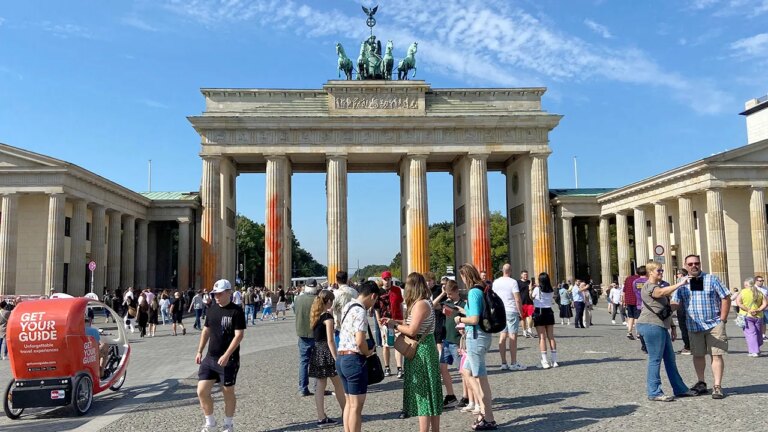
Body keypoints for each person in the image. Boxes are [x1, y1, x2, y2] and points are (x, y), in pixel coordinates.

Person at [381, 272, 443, 432]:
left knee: (423, 393)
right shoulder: (424, 302)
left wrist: (395, 326)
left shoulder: (420, 304)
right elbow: (412, 322)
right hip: (425, 347)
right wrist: (394, 321)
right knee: (430, 392)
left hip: (421, 351)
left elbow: (412, 329)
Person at [671, 254, 731, 399]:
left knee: (716, 354)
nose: (693, 266)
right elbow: (675, 302)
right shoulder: (681, 283)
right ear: (685, 266)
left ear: (700, 263)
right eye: (690, 264)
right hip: (693, 325)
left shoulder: (712, 279)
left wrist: (722, 319)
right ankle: (701, 382)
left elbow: (726, 297)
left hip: (714, 323)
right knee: (698, 355)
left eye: (696, 263)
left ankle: (717, 386)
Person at [636, 262, 697, 401]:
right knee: (655, 359)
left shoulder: (658, 286)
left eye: (662, 270)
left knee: (670, 359)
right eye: (659, 270)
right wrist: (680, 284)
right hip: (650, 325)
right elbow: (660, 293)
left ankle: (680, 389)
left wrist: (673, 326)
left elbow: (668, 309)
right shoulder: (649, 286)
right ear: (650, 272)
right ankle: (654, 392)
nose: (661, 272)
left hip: (661, 326)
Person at [195, 279, 246, 432]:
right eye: (215, 293)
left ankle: (228, 424)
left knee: (228, 392)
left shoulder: (236, 311)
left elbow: (239, 335)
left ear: (229, 292)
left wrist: (227, 354)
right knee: (201, 391)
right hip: (210, 358)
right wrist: (199, 351)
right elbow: (206, 330)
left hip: (228, 360)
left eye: (219, 293)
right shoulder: (211, 309)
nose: (216, 296)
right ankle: (210, 423)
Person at [454, 264, 497, 430]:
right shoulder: (483, 288)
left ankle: (488, 416)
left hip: (476, 337)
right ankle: (482, 408)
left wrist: (459, 319)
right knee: (465, 371)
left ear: (466, 276)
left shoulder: (473, 292)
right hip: (483, 336)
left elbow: (474, 319)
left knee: (481, 378)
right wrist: (461, 310)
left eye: (462, 277)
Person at [337, 281, 380, 432]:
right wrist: (368, 352)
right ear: (373, 295)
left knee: (349, 403)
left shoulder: (348, 306)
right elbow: (360, 340)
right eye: (375, 300)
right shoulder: (361, 311)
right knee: (356, 406)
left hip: (342, 357)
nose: (373, 304)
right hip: (354, 359)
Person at [309, 289, 345, 427]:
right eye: (332, 300)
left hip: (317, 351)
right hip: (326, 352)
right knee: (338, 384)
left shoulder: (315, 315)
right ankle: (345, 411)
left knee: (320, 386)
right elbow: (330, 340)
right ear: (328, 301)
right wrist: (336, 358)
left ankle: (321, 417)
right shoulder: (327, 317)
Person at [436, 279, 465, 408]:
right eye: (447, 293)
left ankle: (466, 396)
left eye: (450, 293)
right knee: (442, 368)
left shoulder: (462, 304)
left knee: (463, 371)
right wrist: (442, 294)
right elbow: (432, 305)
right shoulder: (446, 303)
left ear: (456, 291)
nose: (448, 296)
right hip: (446, 340)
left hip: (457, 341)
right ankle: (450, 395)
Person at [492, 264, 526, 371]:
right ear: (510, 271)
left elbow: (493, 297)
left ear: (502, 270)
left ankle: (503, 363)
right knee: (512, 337)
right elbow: (517, 299)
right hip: (511, 310)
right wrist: (521, 312)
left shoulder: (496, 282)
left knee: (502, 336)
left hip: (500, 311)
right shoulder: (513, 282)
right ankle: (513, 362)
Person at [374, 270, 404, 378]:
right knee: (385, 345)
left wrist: (402, 318)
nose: (387, 281)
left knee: (398, 344)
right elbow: (376, 308)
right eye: (385, 279)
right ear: (382, 280)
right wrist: (378, 322)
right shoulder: (379, 292)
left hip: (396, 320)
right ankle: (387, 367)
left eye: (389, 279)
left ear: (391, 279)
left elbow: (400, 304)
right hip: (384, 321)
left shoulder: (397, 290)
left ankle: (400, 368)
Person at [295, 279, 319, 396]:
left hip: (302, 334)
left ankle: (302, 388)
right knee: (317, 362)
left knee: (303, 362)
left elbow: (295, 311)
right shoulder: (318, 300)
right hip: (316, 335)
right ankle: (317, 388)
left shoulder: (298, 299)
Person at [734, 277, 767, 357]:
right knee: (758, 333)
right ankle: (757, 347)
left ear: (746, 284)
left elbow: (738, 302)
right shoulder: (759, 292)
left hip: (747, 315)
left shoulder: (743, 292)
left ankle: (754, 351)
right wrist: (758, 310)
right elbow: (765, 303)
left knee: (750, 333)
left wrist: (748, 309)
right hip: (759, 316)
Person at [532, 273, 558, 369]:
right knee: (551, 337)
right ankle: (554, 360)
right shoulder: (551, 290)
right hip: (549, 311)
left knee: (542, 337)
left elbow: (532, 297)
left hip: (539, 311)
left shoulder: (537, 289)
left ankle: (545, 360)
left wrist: (531, 289)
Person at [332, 271, 358, 346]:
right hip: (352, 325)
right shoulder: (355, 292)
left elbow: (331, 308)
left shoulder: (335, 294)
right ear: (347, 280)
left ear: (337, 281)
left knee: (340, 350)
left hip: (339, 325)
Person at [623, 268, 643, 340]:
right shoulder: (640, 280)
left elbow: (624, 290)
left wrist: (624, 300)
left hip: (629, 300)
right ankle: (638, 334)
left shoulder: (628, 278)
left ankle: (629, 332)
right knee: (637, 317)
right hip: (637, 301)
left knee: (630, 317)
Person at [518, 270, 535, 338]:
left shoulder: (529, 282)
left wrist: (531, 288)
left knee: (531, 316)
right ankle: (524, 331)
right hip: (522, 302)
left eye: (527, 275)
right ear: (521, 275)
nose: (526, 276)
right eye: (524, 274)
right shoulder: (518, 282)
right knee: (523, 318)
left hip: (530, 302)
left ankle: (530, 329)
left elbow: (532, 292)